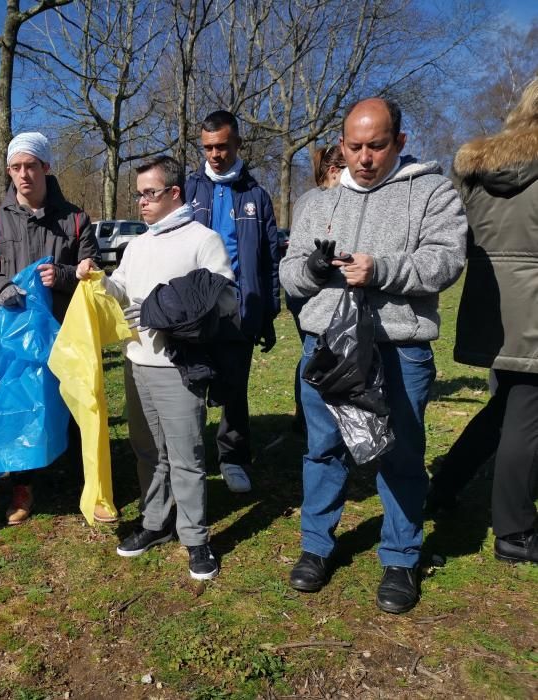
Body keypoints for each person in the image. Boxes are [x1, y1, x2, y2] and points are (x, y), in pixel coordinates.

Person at [279, 97, 467, 613]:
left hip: (399, 348)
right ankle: (317, 547)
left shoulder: (432, 192)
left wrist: (381, 269)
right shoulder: (315, 202)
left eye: (377, 145)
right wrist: (315, 269)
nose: (365, 157)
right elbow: (289, 274)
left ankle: (401, 557)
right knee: (323, 448)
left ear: (400, 142)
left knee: (400, 455)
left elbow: (446, 260)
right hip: (326, 348)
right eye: (355, 146)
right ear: (341, 145)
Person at [77, 155, 234, 580]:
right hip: (136, 362)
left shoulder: (203, 240)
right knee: (147, 451)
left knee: (186, 455)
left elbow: (224, 300)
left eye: (150, 193)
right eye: (139, 194)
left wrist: (165, 308)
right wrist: (98, 279)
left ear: (174, 193)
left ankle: (196, 538)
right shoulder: (138, 244)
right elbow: (122, 289)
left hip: (177, 366)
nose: (142, 202)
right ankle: (155, 523)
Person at [0, 131, 100, 525]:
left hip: (67, 330)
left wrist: (61, 275)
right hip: (18, 337)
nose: (23, 175)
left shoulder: (76, 219)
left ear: (46, 167)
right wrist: (1, 287)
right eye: (15, 167)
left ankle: (90, 482)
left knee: (78, 406)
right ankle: (22, 485)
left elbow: (91, 271)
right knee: (20, 407)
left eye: (30, 166)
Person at [445, 77, 538, 564]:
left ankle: (443, 485)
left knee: (506, 408)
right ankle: (515, 531)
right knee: (529, 417)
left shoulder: (482, 164)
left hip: (491, 305)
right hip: (535, 309)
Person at [184, 110, 280, 493]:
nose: (215, 154)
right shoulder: (188, 190)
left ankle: (233, 457)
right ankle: (190, 456)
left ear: (238, 143)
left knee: (234, 388)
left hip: (240, 308)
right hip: (193, 311)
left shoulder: (256, 195)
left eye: (222, 146)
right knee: (191, 384)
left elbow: (270, 259)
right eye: (208, 147)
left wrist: (269, 312)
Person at [288, 145, 348, 432]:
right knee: (312, 355)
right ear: (334, 171)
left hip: (316, 292)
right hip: (308, 291)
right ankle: (310, 416)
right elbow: (299, 254)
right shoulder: (314, 201)